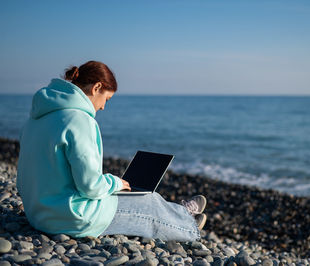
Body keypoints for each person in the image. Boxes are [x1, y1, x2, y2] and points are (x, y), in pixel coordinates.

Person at [16, 60, 207, 241]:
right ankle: (189, 227)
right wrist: (114, 182)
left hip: (37, 214)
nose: (103, 106)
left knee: (128, 194)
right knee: (149, 201)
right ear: (96, 87)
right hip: (70, 219)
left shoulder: (36, 118)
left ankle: (182, 213)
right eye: (106, 99)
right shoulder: (79, 120)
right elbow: (89, 187)